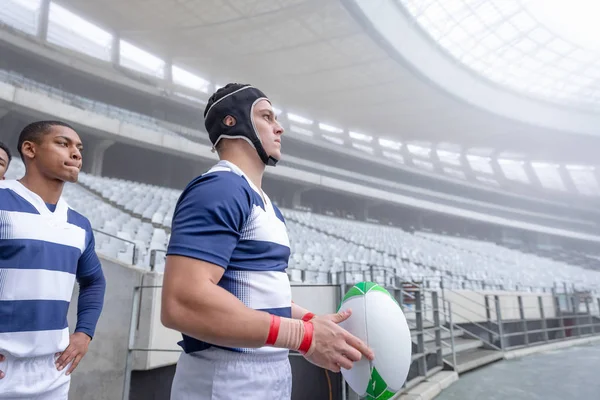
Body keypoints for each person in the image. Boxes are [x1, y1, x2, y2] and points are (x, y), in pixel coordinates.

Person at [161, 83, 374, 399]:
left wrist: (313, 322)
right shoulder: (219, 189)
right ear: (234, 122)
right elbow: (181, 302)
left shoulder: (264, 203)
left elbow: (253, 298)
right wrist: (303, 336)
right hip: (224, 381)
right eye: (266, 116)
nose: (280, 127)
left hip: (270, 373)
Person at [0, 120, 106, 399]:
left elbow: (94, 281)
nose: (76, 153)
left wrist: (84, 333)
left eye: (79, 148)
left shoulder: (79, 224)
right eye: (63, 143)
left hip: (54, 372)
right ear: (29, 149)